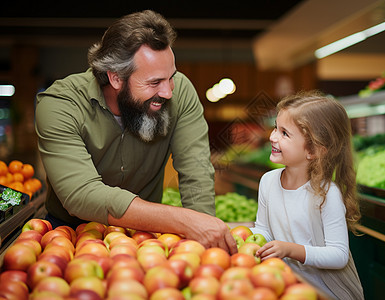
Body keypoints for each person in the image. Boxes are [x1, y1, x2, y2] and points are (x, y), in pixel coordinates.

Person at [35, 10, 236, 254]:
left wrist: (205, 233)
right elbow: (81, 195)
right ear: (116, 78)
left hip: (146, 235)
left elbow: (196, 170)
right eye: (154, 82)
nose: (168, 92)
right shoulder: (61, 104)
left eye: (170, 77)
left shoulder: (180, 91)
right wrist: (184, 220)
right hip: (70, 233)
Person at [251, 90, 364, 299]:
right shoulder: (268, 181)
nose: (272, 136)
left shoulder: (326, 194)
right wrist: (248, 240)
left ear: (314, 150)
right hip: (287, 284)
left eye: (284, 133)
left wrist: (290, 249)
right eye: (276, 127)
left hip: (327, 289)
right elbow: (263, 229)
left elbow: (338, 255)